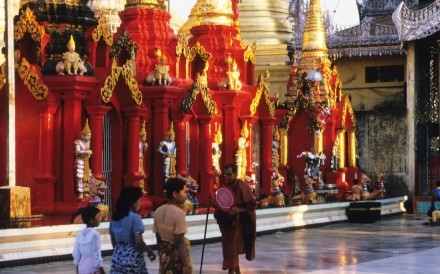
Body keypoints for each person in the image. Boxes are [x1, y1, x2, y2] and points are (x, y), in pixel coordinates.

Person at [215, 163, 256, 274]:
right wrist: (212, 203)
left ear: (235, 174)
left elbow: (251, 205)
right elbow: (220, 203)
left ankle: (231, 272)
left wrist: (239, 210)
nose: (227, 177)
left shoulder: (242, 186)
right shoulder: (224, 187)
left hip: (237, 223)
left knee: (232, 249)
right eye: (225, 175)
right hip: (226, 224)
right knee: (228, 249)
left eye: (229, 174)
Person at [109, 186, 156, 273]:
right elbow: (138, 241)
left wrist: (120, 252)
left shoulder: (114, 219)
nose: (140, 203)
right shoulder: (135, 217)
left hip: (117, 257)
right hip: (133, 258)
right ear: (132, 202)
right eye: (139, 200)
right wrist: (149, 251)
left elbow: (113, 240)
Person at [153, 177, 192, 274]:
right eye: (183, 192)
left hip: (164, 254)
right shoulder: (179, 213)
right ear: (175, 194)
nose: (185, 195)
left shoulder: (158, 211)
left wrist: (161, 255)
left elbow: (158, 237)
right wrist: (185, 265)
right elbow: (179, 242)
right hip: (176, 257)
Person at [72, 205, 105, 274]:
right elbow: (96, 254)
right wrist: (101, 269)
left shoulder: (80, 234)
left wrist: (77, 268)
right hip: (92, 267)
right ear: (91, 220)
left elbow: (76, 253)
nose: (100, 219)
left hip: (82, 267)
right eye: (98, 217)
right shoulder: (95, 234)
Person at [74, 119, 93, 200]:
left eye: (90, 135)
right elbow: (77, 152)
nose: (89, 137)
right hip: (80, 161)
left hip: (86, 161)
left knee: (87, 176)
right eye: (87, 135)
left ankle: (86, 191)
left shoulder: (88, 142)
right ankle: (80, 192)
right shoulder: (78, 142)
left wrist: (89, 153)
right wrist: (86, 152)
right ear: (82, 135)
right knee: (80, 176)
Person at [212, 125, 223, 190]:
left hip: (216, 163)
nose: (221, 139)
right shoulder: (214, 145)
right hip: (214, 163)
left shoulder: (217, 145)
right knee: (216, 175)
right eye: (220, 137)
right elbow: (213, 156)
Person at [139, 121, 148, 192]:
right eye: (144, 136)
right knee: (139, 172)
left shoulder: (143, 143)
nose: (145, 138)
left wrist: (145, 147)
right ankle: (139, 188)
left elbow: (144, 152)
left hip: (141, 159)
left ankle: (142, 188)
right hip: (137, 160)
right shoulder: (137, 143)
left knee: (142, 173)